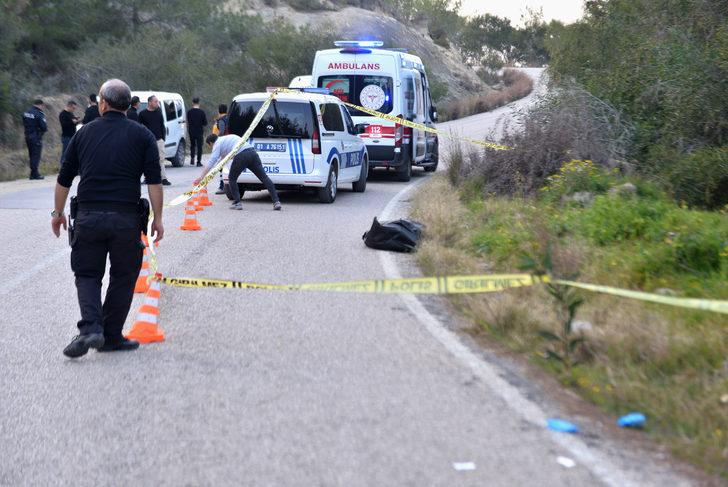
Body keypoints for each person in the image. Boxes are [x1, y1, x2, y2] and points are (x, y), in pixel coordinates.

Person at [52, 78, 164, 359]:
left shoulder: (83, 133)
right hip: (126, 218)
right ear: (128, 106)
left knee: (88, 274)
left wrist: (57, 214)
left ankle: (91, 327)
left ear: (102, 102)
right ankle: (111, 335)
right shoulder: (143, 136)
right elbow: (154, 182)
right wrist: (158, 219)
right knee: (124, 275)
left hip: (88, 217)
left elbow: (64, 178)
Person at [193, 134, 281, 211]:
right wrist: (214, 170)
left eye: (210, 146)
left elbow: (211, 161)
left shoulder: (217, 144)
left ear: (211, 143)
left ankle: (237, 203)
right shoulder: (227, 139)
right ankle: (276, 202)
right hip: (252, 153)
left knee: (232, 178)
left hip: (241, 155)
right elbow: (222, 159)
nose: (212, 148)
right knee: (264, 178)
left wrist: (201, 177)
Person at [138, 95, 171, 186]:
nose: (157, 103)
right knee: (147, 160)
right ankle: (147, 178)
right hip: (147, 141)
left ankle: (163, 178)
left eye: (157, 101)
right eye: (155, 101)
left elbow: (162, 126)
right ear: (150, 102)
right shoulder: (142, 114)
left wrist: (163, 139)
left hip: (159, 140)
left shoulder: (159, 113)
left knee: (161, 159)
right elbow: (139, 127)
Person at [23, 99, 48, 180]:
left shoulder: (26, 112)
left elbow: (24, 122)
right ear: (41, 105)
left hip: (27, 135)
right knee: (36, 155)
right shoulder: (39, 113)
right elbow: (44, 127)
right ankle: (35, 174)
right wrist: (40, 133)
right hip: (36, 136)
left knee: (31, 154)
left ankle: (32, 173)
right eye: (43, 106)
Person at [212, 104, 229, 194]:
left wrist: (216, 140)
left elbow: (221, 132)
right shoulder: (229, 118)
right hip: (229, 143)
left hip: (224, 145)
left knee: (221, 165)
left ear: (219, 111)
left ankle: (222, 186)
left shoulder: (221, 120)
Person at [186, 97, 207, 167]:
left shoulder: (189, 112)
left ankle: (192, 158)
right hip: (199, 131)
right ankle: (198, 161)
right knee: (199, 146)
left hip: (191, 131)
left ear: (192, 103)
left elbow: (188, 121)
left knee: (192, 145)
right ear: (199, 103)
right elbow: (205, 123)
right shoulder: (202, 112)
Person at [58, 100, 80, 165]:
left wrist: (77, 121)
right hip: (66, 137)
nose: (74, 110)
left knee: (74, 153)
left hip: (73, 136)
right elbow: (64, 125)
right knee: (65, 153)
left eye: (75, 108)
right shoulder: (62, 114)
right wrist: (72, 122)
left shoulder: (71, 114)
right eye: (73, 108)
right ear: (69, 106)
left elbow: (73, 124)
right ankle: (63, 167)